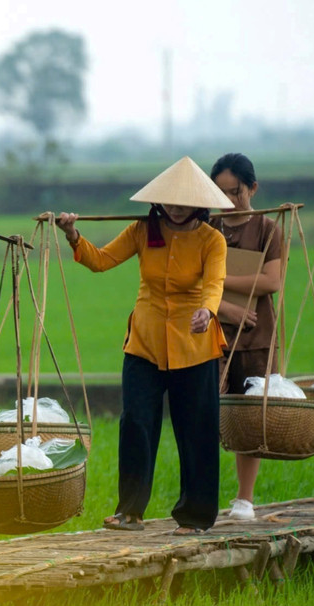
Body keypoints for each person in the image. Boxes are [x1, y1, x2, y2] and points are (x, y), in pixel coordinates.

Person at [54, 157, 232, 535]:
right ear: (158, 200)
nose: (176, 207)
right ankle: (129, 511)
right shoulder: (142, 230)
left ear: (200, 202)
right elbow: (100, 261)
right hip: (145, 344)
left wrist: (207, 311)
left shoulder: (211, 240)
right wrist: (73, 235)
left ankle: (196, 516)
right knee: (136, 423)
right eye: (170, 200)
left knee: (196, 429)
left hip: (194, 345)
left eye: (185, 201)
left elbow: (215, 283)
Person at [209, 153, 286, 521]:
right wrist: (222, 304)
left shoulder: (269, 229)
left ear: (252, 188)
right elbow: (188, 281)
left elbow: (272, 281)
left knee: (250, 415)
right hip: (208, 331)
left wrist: (217, 283)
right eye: (220, 193)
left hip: (257, 332)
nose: (228, 200)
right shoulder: (207, 228)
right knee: (206, 412)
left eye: (235, 192)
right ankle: (201, 495)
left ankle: (244, 498)